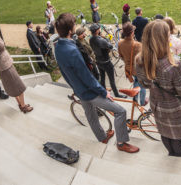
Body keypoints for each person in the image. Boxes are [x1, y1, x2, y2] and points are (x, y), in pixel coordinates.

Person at [54, 13, 139, 153]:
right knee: (120, 111)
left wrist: (74, 87)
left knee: (91, 115)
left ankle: (102, 137)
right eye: (74, 25)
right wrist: (103, 91)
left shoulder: (58, 47)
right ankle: (122, 142)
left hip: (79, 90)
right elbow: (86, 76)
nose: (75, 26)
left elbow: (64, 73)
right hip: (89, 92)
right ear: (70, 31)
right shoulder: (71, 50)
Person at [136, 20, 181, 157]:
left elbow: (143, 84)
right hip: (174, 107)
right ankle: (178, 153)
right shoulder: (173, 64)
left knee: (164, 131)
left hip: (156, 104)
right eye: (168, 35)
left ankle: (171, 152)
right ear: (162, 39)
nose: (170, 37)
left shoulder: (140, 60)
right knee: (176, 134)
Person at [0, 16, 31, 112]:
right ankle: (23, 106)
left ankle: (21, 104)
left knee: (13, 86)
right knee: (19, 86)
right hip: (5, 66)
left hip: (6, 64)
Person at [89, 24, 126, 98]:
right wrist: (106, 39)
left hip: (99, 61)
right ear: (97, 31)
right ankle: (116, 94)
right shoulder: (101, 40)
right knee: (111, 80)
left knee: (102, 78)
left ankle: (103, 92)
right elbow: (110, 46)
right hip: (106, 62)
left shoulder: (91, 39)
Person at [118, 22, 146, 106]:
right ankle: (142, 102)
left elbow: (121, 56)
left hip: (128, 69)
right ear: (132, 32)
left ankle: (135, 100)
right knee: (142, 85)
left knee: (135, 82)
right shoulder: (138, 45)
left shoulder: (120, 43)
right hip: (138, 69)